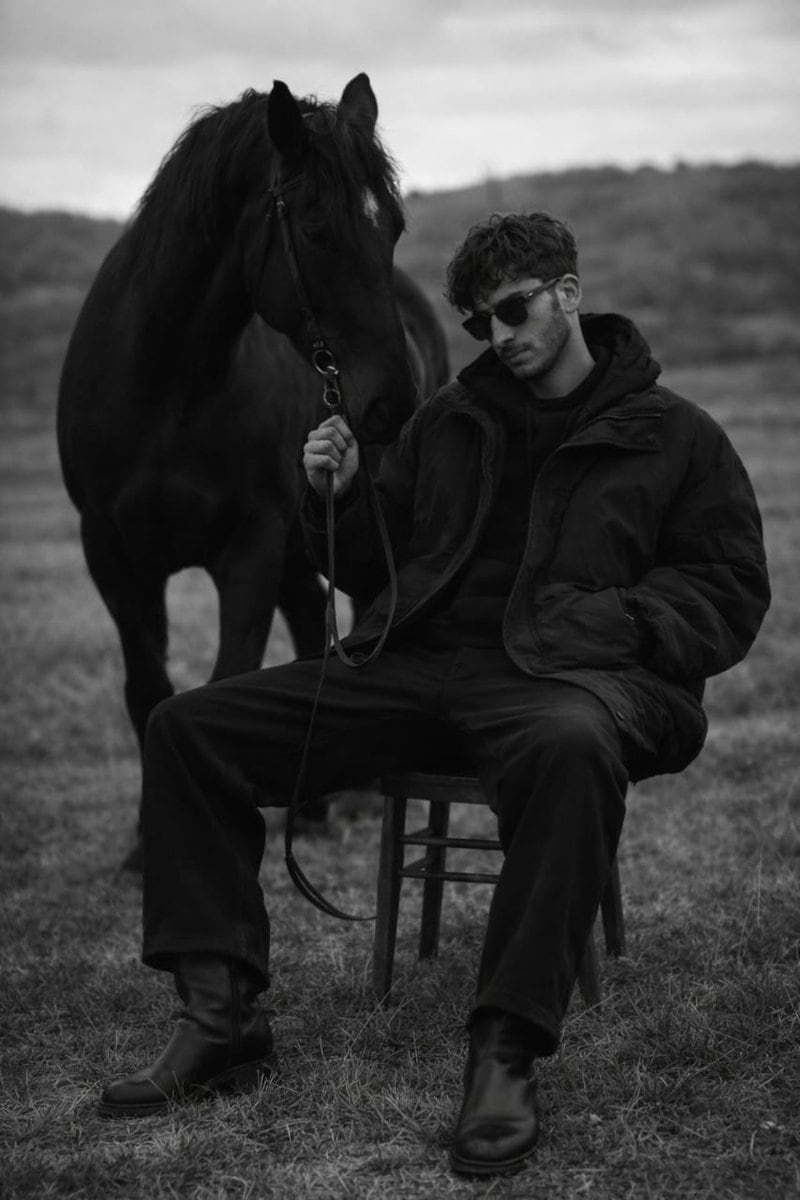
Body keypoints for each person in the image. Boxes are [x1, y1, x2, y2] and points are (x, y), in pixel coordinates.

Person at [98, 212, 770, 1178]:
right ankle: (221, 1018)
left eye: (514, 310)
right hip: (416, 667)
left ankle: (503, 1055)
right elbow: (377, 571)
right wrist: (335, 498)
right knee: (187, 728)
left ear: (569, 294)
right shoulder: (451, 421)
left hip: (565, 684)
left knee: (573, 747)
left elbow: (729, 589)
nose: (499, 336)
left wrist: (614, 629)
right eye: (481, 322)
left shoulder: (675, 437)